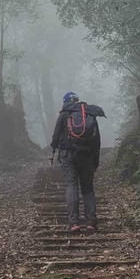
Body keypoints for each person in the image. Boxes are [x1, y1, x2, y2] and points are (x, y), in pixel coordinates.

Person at [50, 91, 105, 232]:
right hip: (87, 156)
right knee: (87, 188)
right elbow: (97, 141)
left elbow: (55, 137)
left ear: (66, 101)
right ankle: (91, 222)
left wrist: (55, 151)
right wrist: (95, 160)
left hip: (68, 155)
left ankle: (74, 222)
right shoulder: (90, 114)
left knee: (71, 185)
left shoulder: (65, 113)